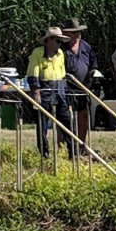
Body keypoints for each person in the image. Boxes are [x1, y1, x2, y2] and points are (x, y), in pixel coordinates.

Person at [26, 26, 76, 159]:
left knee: (66, 120)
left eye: (61, 41)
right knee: (42, 122)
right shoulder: (37, 53)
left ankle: (73, 151)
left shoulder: (60, 54)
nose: (59, 44)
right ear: (48, 41)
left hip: (60, 88)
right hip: (45, 89)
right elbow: (33, 73)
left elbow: (62, 73)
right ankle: (44, 153)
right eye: (57, 41)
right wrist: (36, 91)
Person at [61, 17, 97, 147]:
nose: (77, 34)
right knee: (65, 116)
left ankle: (82, 145)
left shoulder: (86, 46)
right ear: (67, 33)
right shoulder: (62, 49)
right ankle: (65, 144)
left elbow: (93, 63)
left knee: (83, 115)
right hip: (66, 87)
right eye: (74, 32)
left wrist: (92, 74)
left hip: (84, 86)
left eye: (78, 32)